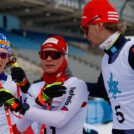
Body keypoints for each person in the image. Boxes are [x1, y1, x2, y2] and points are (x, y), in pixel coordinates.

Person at [0, 35, 89, 134]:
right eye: (44, 54)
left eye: (54, 54)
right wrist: (39, 102)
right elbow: (21, 126)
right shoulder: (36, 87)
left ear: (65, 57)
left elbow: (60, 120)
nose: (49, 59)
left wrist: (26, 103)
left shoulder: (77, 85)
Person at [81, 0, 134, 134]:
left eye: (85, 28)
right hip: (119, 130)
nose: (85, 35)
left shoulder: (130, 51)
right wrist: (70, 85)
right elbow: (102, 90)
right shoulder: (107, 58)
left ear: (99, 25)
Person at [0, 33, 34, 134]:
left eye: (3, 55)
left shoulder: (13, 83)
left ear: (8, 59)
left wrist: (25, 84)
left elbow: (30, 109)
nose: (0, 59)